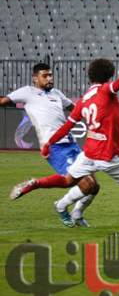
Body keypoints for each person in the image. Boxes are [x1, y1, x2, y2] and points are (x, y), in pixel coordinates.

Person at [10, 44, 119, 238]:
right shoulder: (105, 91)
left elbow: (67, 126)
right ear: (109, 75)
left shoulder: (84, 99)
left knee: (68, 180)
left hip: (89, 154)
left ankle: (36, 184)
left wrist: (49, 143)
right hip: (110, 155)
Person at [2, 63, 99, 227]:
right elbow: (4, 101)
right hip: (54, 147)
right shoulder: (27, 92)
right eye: (45, 76)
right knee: (84, 184)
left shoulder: (56, 93)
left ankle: (77, 214)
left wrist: (94, 112)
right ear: (35, 78)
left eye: (50, 75)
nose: (49, 78)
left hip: (71, 143)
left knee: (94, 187)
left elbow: (75, 109)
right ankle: (59, 205)